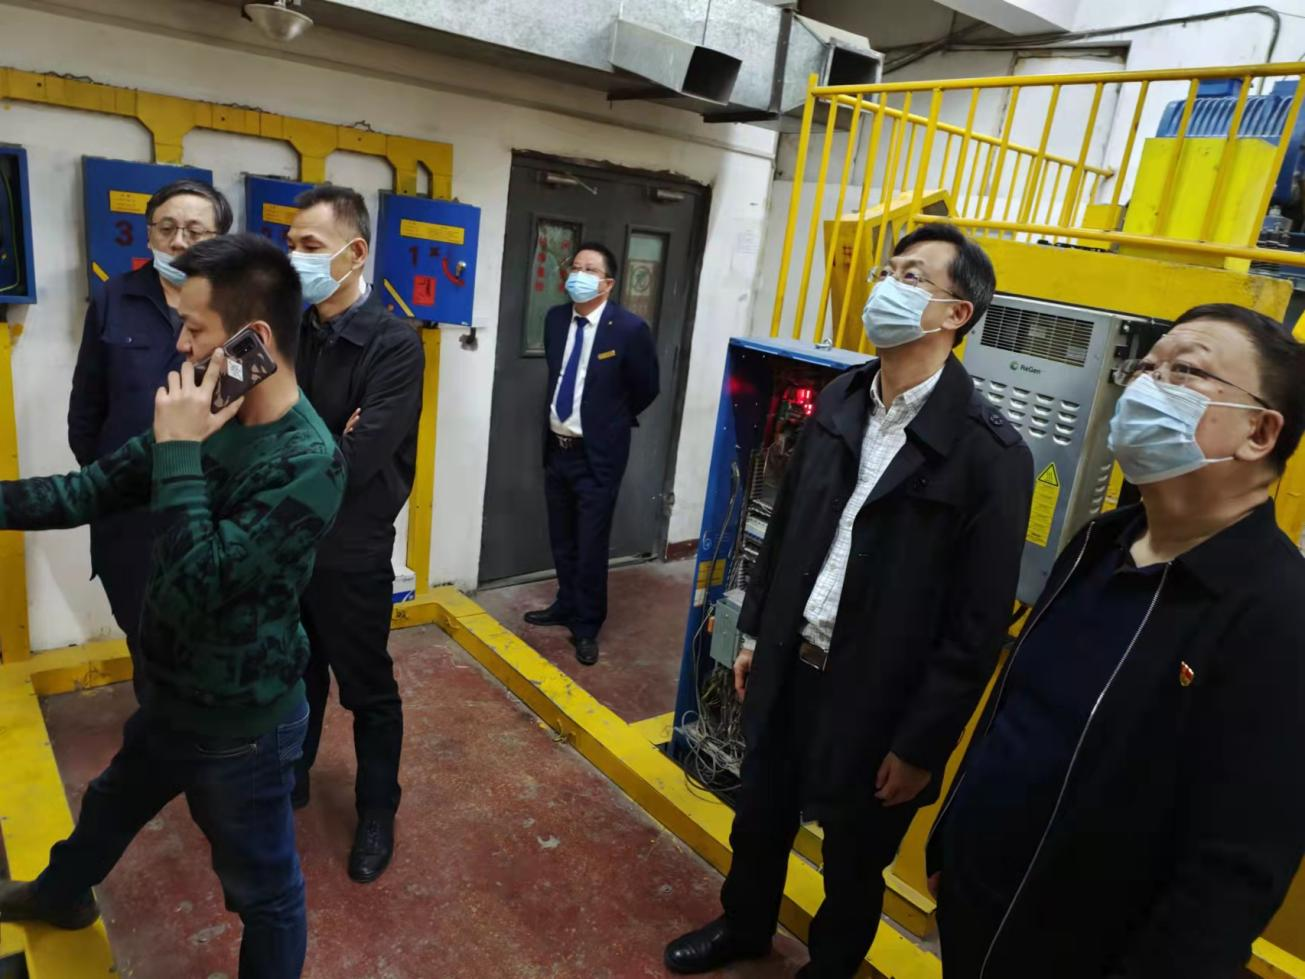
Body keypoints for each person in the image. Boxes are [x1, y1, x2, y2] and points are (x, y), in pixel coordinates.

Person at [665, 223, 1033, 978]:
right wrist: (756, 634)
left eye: (911, 276)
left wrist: (921, 746)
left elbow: (975, 627)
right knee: (759, 816)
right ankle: (744, 925)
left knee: (853, 859)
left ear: (955, 313)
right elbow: (788, 533)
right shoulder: (839, 399)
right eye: (886, 271)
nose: (886, 287)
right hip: (789, 663)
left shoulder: (989, 454)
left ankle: (829, 968)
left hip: (878, 699)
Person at [0, 234, 345, 979]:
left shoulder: (308, 463)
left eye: (193, 329)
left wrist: (180, 451)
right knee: (109, 805)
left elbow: (197, 586)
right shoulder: (211, 403)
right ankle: (60, 895)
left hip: (241, 727)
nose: (180, 345)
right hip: (171, 695)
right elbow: (88, 490)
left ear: (254, 340)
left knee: (264, 893)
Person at [929, 304, 1305, 979]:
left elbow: (1232, 870)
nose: (1146, 385)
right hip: (973, 905)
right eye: (1146, 367)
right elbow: (1011, 706)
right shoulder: (1098, 543)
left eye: (1185, 371)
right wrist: (948, 836)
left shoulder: (1277, 613)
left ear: (1260, 431)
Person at [286, 184, 423, 884]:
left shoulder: (394, 344)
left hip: (352, 550)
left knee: (366, 687)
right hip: (288, 545)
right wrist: (323, 440)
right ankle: (294, 775)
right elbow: (236, 420)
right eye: (290, 244)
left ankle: (376, 811)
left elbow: (356, 461)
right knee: (297, 669)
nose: (295, 257)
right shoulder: (287, 330)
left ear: (355, 252)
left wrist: (299, 448)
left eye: (310, 246)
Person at [67, 179, 233, 693]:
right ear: (149, 234)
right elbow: (86, 411)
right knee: (144, 640)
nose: (179, 241)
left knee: (212, 643)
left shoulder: (240, 307)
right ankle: (159, 727)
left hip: (211, 510)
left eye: (195, 231)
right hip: (131, 517)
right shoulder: (114, 297)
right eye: (167, 228)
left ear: (219, 240)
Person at [524, 242, 659, 666]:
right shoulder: (555, 319)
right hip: (557, 449)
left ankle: (586, 625)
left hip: (597, 457)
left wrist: (608, 421)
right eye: (575, 267)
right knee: (562, 536)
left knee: (590, 543)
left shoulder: (629, 330)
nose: (577, 275)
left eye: (589, 270)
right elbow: (559, 372)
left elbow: (646, 388)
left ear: (607, 283)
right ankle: (565, 603)